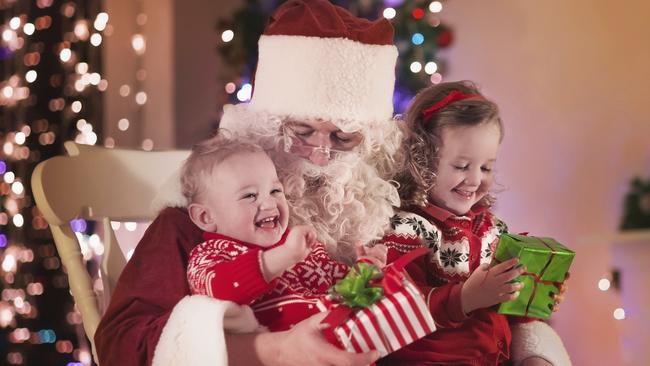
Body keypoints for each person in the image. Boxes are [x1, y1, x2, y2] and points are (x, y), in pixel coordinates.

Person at [94, 1, 401, 365]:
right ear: (266, 126)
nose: (321, 156)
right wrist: (274, 350)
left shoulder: (377, 211)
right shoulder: (202, 212)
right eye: (302, 132)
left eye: (344, 138)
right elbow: (121, 344)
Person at [377, 81, 571, 365]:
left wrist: (536, 290)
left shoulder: (491, 229)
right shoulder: (407, 230)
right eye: (461, 166)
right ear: (423, 160)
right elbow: (394, 313)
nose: (475, 180)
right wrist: (465, 298)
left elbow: (509, 311)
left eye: (486, 167)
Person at [182, 133, 386, 332]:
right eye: (250, 196)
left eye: (275, 191)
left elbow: (344, 296)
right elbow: (218, 291)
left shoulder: (303, 247)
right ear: (205, 217)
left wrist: (364, 271)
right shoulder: (211, 254)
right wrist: (283, 257)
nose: (270, 203)